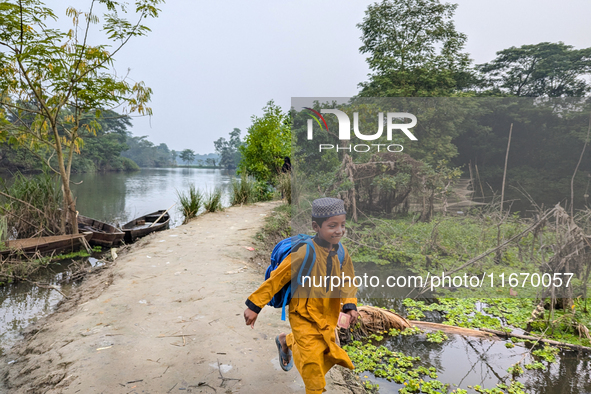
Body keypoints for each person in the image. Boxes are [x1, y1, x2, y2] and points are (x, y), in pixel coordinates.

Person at [243, 198, 359, 394]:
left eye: (342, 225)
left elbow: (348, 279)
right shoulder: (304, 252)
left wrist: (349, 304)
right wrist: (254, 306)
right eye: (332, 226)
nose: (339, 231)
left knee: (324, 351)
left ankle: (285, 340)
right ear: (316, 226)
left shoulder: (341, 253)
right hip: (303, 316)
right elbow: (276, 279)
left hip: (327, 316)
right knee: (312, 367)